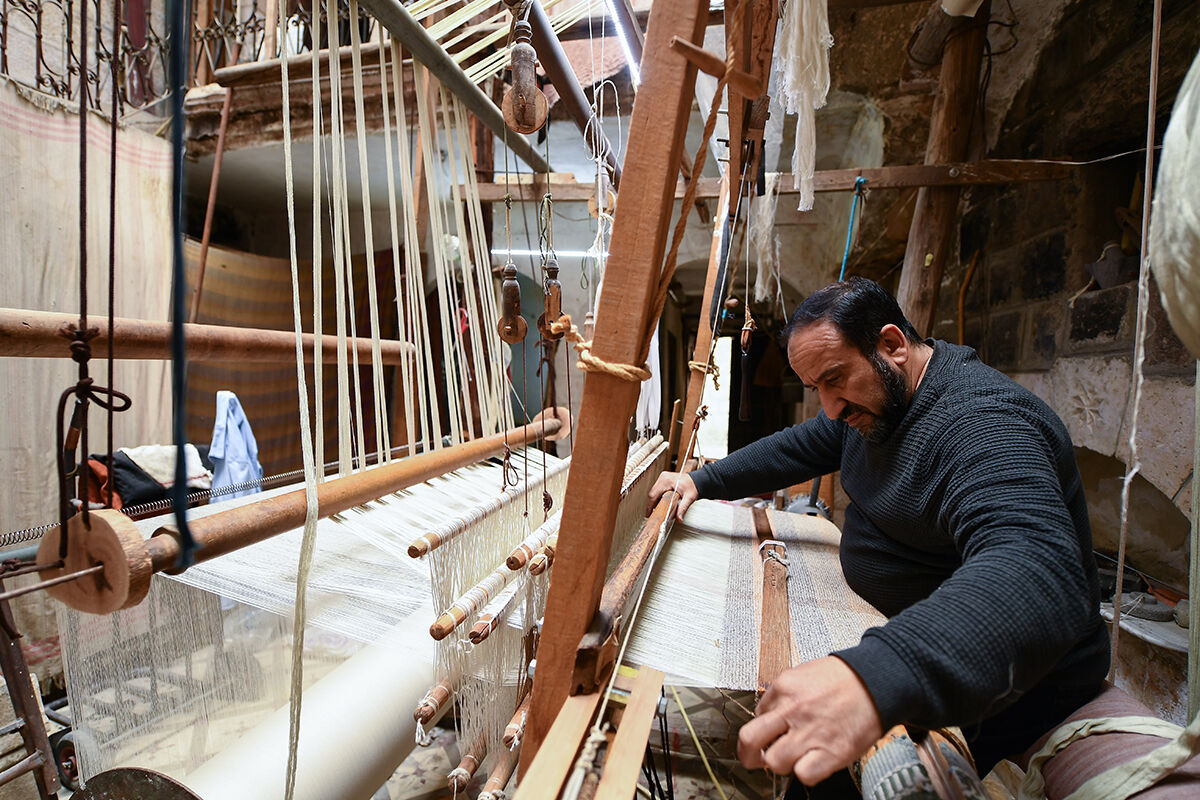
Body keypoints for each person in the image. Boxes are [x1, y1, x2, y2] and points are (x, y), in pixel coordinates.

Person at [646, 277, 1109, 791]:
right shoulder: (872, 403)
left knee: (827, 771)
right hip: (898, 618)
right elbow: (797, 446)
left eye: (835, 379)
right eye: (816, 388)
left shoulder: (983, 422)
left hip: (1017, 674)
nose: (830, 407)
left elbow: (1037, 567)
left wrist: (873, 678)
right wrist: (700, 480)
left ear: (891, 345)